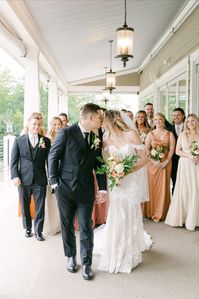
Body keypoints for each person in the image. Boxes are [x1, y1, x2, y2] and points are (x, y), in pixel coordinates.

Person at [48, 103, 107, 280]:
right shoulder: (66, 132)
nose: (101, 120)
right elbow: (53, 156)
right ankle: (71, 257)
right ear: (90, 117)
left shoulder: (97, 136)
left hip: (86, 189)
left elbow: (99, 164)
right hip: (64, 188)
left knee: (86, 226)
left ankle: (87, 262)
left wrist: (103, 188)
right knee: (67, 226)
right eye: (99, 117)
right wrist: (55, 183)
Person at [95, 110, 153, 274]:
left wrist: (126, 171)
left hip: (130, 180)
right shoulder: (105, 138)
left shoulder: (131, 134)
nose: (101, 123)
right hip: (116, 182)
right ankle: (116, 247)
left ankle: (130, 248)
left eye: (103, 120)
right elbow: (106, 161)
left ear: (111, 120)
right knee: (116, 211)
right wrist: (114, 172)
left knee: (129, 210)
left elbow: (144, 159)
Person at [10, 114, 51, 241]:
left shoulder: (46, 141)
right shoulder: (19, 140)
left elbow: (49, 161)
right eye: (34, 124)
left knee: (40, 206)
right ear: (28, 125)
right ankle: (27, 228)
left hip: (40, 179)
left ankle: (39, 231)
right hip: (23, 178)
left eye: (38, 124)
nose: (36, 127)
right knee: (25, 205)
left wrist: (51, 177)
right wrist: (15, 176)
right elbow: (14, 161)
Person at [165, 114, 199, 231]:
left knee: (196, 189)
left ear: (196, 122)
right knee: (185, 190)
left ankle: (194, 218)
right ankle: (183, 217)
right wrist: (191, 155)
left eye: (193, 121)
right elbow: (177, 151)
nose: (190, 123)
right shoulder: (183, 135)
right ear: (186, 123)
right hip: (185, 165)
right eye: (188, 122)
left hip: (197, 166)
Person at [144, 113, 175, 222]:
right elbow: (146, 149)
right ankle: (151, 212)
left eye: (160, 119)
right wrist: (153, 160)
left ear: (164, 120)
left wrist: (166, 161)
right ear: (153, 121)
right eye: (156, 119)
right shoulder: (150, 134)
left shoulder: (170, 134)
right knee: (152, 187)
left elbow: (171, 149)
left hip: (165, 163)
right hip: (152, 164)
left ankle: (162, 212)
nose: (158, 121)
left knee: (164, 187)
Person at [44, 117, 62, 235]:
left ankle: (60, 224)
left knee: (60, 198)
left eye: (59, 124)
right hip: (50, 169)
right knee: (51, 198)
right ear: (51, 125)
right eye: (54, 124)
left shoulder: (65, 135)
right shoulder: (47, 139)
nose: (57, 126)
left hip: (63, 169)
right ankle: (51, 225)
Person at [170, 108, 185, 193]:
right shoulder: (169, 129)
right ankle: (175, 202)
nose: (176, 117)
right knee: (175, 181)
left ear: (183, 116)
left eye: (178, 115)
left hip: (186, 159)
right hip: (173, 160)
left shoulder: (188, 128)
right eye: (174, 115)